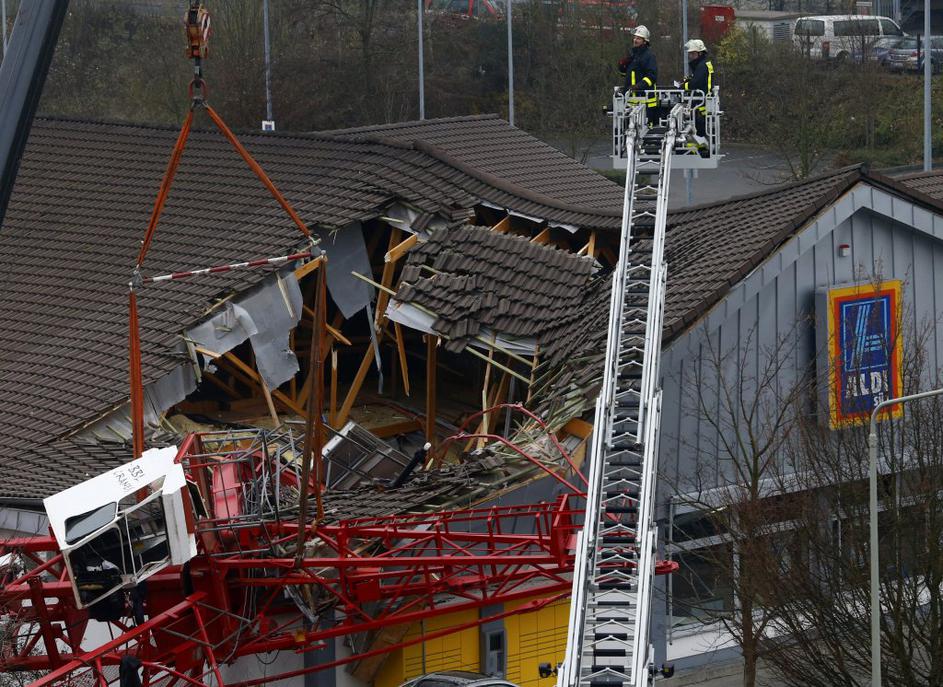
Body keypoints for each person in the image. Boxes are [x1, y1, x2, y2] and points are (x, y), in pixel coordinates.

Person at [618, 25, 658, 125]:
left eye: (638, 38)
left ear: (645, 41)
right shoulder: (633, 55)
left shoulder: (649, 56)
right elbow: (625, 75)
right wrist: (622, 66)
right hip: (631, 101)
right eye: (635, 38)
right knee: (629, 129)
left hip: (646, 102)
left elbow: (652, 77)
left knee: (646, 129)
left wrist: (638, 86)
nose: (635, 40)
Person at [682, 39, 714, 145]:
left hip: (701, 103)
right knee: (698, 128)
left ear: (700, 53)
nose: (690, 56)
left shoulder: (702, 66)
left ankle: (699, 147)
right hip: (702, 102)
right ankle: (699, 146)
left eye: (693, 53)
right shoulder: (704, 64)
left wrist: (683, 86)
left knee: (698, 129)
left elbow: (695, 83)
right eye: (690, 54)